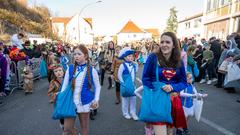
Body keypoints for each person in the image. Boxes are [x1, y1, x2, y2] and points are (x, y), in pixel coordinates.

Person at [142, 32, 188, 135]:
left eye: (167, 42)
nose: (164, 44)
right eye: (162, 42)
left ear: (174, 45)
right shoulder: (153, 58)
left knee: (170, 132)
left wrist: (173, 87)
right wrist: (157, 90)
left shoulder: (178, 60)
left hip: (173, 101)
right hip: (158, 101)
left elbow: (183, 82)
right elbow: (145, 78)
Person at [60, 45, 101, 135]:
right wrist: (61, 96)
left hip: (85, 103)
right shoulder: (70, 68)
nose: (76, 56)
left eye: (79, 54)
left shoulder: (92, 70)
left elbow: (98, 86)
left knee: (84, 127)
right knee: (67, 128)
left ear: (85, 56)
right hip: (70, 102)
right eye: (74, 54)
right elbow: (64, 84)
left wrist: (96, 99)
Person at [118, 47, 139, 120]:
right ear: (125, 57)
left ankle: (133, 113)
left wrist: (136, 64)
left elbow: (136, 71)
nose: (131, 57)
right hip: (126, 85)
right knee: (125, 99)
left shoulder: (133, 64)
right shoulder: (122, 65)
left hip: (133, 85)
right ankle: (125, 113)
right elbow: (119, 75)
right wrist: (123, 84)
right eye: (129, 56)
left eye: (132, 56)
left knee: (133, 99)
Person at [47, 64, 65, 130]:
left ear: (63, 71)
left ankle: (69, 129)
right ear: (54, 73)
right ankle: (64, 128)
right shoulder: (53, 82)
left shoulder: (67, 79)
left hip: (67, 102)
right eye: (56, 71)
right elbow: (49, 93)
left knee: (69, 117)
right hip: (59, 103)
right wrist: (55, 94)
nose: (58, 72)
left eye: (60, 70)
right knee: (62, 117)